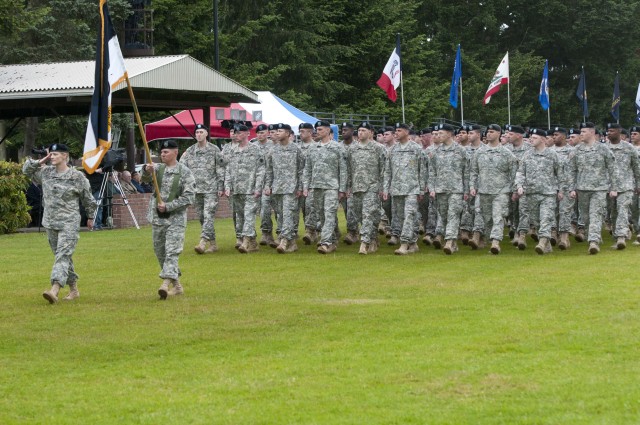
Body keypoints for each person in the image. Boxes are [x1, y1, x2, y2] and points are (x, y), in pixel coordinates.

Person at [22, 143, 97, 303]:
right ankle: (74, 290)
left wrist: (91, 217)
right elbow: (26, 171)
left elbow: (88, 199)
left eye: (56, 154)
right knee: (63, 257)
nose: (52, 156)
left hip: (69, 223)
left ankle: (54, 289)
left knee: (62, 256)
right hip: (50, 223)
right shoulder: (46, 173)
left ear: (65, 156)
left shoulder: (77, 177)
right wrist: (42, 160)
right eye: (51, 154)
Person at [142, 140, 195, 299]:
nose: (162, 155)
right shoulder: (158, 169)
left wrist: (170, 206)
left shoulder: (185, 172)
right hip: (158, 219)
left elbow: (189, 197)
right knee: (161, 253)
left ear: (175, 152)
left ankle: (165, 284)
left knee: (172, 252)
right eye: (161, 152)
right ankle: (177, 286)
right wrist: (146, 171)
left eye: (166, 152)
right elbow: (143, 180)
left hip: (175, 220)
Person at [568, 122, 617, 254]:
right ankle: (593, 235)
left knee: (595, 214)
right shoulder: (576, 150)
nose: (581, 134)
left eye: (583, 132)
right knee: (586, 217)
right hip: (582, 188)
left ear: (591, 132)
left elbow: (612, 169)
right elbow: (571, 171)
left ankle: (593, 242)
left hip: (599, 189)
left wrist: (613, 187)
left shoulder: (603, 149)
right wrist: (572, 188)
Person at [469, 124, 518, 254]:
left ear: (498, 134)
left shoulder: (507, 154)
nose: (488, 134)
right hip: (484, 191)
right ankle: (490, 238)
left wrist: (514, 190)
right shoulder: (479, 152)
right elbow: (473, 171)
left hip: (501, 191)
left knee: (498, 216)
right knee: (487, 219)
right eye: (487, 132)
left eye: (491, 132)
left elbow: (514, 174)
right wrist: (472, 186)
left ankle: (496, 242)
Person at [515, 129, 562, 254]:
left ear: (542, 139)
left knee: (546, 218)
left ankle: (541, 242)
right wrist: (519, 185)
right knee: (536, 221)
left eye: (534, 137)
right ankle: (547, 245)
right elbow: (520, 172)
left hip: (548, 193)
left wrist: (561, 190)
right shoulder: (527, 155)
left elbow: (561, 174)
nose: (531, 139)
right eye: (531, 137)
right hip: (531, 193)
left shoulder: (552, 155)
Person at [303, 120, 347, 254]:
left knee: (329, 214)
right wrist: (306, 185)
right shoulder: (313, 148)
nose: (318, 132)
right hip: (316, 187)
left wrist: (342, 189)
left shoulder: (337, 147)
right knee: (321, 215)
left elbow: (343, 170)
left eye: (321, 129)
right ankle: (332, 240)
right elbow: (308, 169)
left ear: (328, 130)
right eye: (317, 129)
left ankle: (325, 242)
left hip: (331, 187)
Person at [179, 123, 225, 254]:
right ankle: (214, 243)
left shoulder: (214, 149)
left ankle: (203, 242)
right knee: (202, 217)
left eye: (201, 132)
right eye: (197, 132)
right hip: (196, 189)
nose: (199, 134)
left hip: (211, 188)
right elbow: (182, 168)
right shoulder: (190, 151)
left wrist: (220, 186)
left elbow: (220, 168)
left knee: (209, 215)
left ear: (206, 134)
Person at [383, 123, 425, 255]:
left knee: (409, 215)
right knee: (400, 218)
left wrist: (422, 189)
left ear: (407, 132)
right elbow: (387, 172)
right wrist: (386, 189)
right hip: (397, 189)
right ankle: (413, 244)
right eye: (395, 130)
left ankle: (404, 244)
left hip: (412, 189)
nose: (396, 133)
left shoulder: (416, 149)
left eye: (399, 130)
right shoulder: (392, 150)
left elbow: (422, 171)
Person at [224, 124, 266, 253]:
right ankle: (253, 243)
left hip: (250, 189)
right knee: (240, 216)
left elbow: (261, 170)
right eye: (235, 133)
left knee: (249, 215)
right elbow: (228, 169)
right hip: (236, 189)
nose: (236, 135)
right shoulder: (232, 150)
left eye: (238, 133)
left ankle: (246, 241)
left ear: (247, 133)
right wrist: (227, 186)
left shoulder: (255, 150)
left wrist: (258, 187)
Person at [428, 123, 469, 254]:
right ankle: (453, 241)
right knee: (444, 215)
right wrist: (432, 187)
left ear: (450, 134)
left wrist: (467, 189)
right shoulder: (435, 152)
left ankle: (449, 242)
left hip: (456, 189)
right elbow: (432, 172)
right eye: (437, 133)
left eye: (441, 133)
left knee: (453, 214)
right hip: (440, 189)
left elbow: (466, 171)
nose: (438, 135)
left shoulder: (461, 150)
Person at [346, 122, 386, 254]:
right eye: (359, 130)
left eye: (363, 130)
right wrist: (348, 187)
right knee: (360, 216)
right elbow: (349, 169)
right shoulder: (352, 149)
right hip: (357, 187)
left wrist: (382, 187)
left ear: (371, 133)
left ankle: (364, 243)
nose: (360, 133)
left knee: (368, 214)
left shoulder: (379, 148)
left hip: (372, 187)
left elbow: (384, 169)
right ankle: (373, 237)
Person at [264, 123, 304, 253]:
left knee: (288, 214)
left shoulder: (296, 149)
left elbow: (301, 170)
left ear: (287, 133)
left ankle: (284, 240)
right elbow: (269, 171)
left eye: (280, 131)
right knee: (281, 215)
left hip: (291, 188)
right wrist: (268, 186)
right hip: (277, 188)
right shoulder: (273, 150)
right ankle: (292, 243)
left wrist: (300, 187)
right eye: (277, 131)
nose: (277, 133)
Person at [605, 123, 640, 249]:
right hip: (609, 187)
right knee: (613, 213)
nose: (609, 133)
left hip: (626, 186)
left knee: (623, 210)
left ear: (619, 132)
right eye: (608, 131)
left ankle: (621, 237)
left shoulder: (629, 148)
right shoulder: (604, 148)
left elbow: (636, 168)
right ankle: (617, 237)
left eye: (612, 130)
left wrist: (638, 184)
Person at [550, 127, 575, 250]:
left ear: (564, 137)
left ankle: (564, 237)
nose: (554, 137)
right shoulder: (548, 151)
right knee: (552, 211)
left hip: (566, 186)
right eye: (553, 135)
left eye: (556, 134)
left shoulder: (572, 151)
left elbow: (575, 170)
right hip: (551, 186)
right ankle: (553, 233)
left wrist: (573, 188)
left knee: (564, 211)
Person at [299, 123, 319, 245]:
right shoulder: (297, 148)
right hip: (298, 183)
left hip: (313, 183)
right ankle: (309, 230)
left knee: (311, 207)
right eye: (300, 131)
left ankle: (311, 231)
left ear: (310, 133)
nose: (300, 134)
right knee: (303, 208)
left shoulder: (317, 147)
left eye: (303, 131)